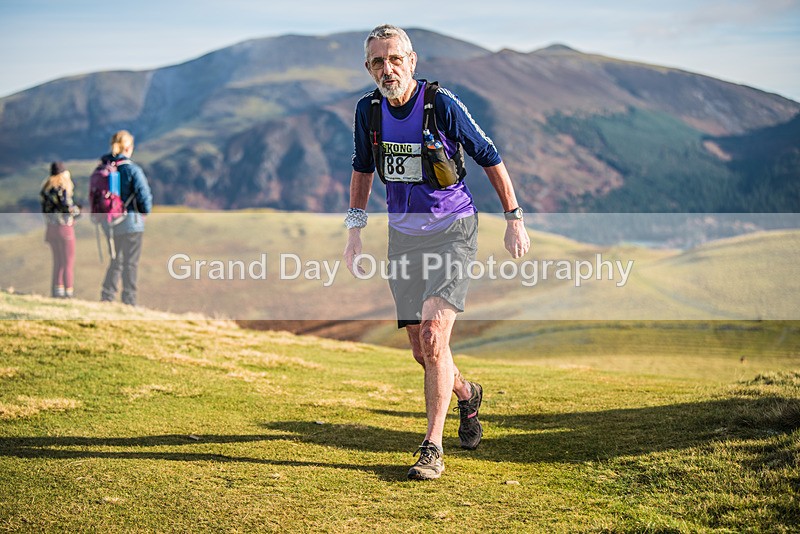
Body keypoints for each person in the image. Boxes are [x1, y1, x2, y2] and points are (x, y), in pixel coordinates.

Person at [344, 24, 531, 480]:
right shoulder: (368, 110)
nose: (386, 69)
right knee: (421, 350)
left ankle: (432, 447)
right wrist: (354, 231)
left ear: (411, 61)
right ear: (368, 68)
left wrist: (514, 218)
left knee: (432, 337)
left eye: (394, 59)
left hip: (453, 231)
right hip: (403, 238)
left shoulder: (440, 104)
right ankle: (466, 394)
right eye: (377, 62)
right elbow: (363, 169)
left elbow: (489, 155)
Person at [97, 130, 153, 306]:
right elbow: (144, 197)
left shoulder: (103, 169)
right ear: (128, 148)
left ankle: (107, 295)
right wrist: (144, 212)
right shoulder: (131, 170)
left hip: (109, 222)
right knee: (130, 263)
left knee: (116, 259)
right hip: (130, 222)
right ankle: (129, 300)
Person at [40, 162, 81, 298]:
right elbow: (67, 208)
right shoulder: (62, 190)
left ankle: (56, 292)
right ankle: (68, 293)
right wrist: (77, 210)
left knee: (57, 262)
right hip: (64, 230)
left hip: (51, 229)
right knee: (68, 262)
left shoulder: (45, 191)